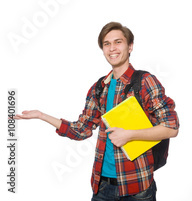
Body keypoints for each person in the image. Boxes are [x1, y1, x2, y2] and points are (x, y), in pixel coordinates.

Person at [15, 21, 178, 201]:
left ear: (130, 46)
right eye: (106, 44)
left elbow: (171, 128)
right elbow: (81, 130)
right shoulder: (100, 87)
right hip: (102, 187)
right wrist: (41, 116)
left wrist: (129, 135)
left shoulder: (145, 81)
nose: (112, 48)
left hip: (137, 187)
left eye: (118, 42)